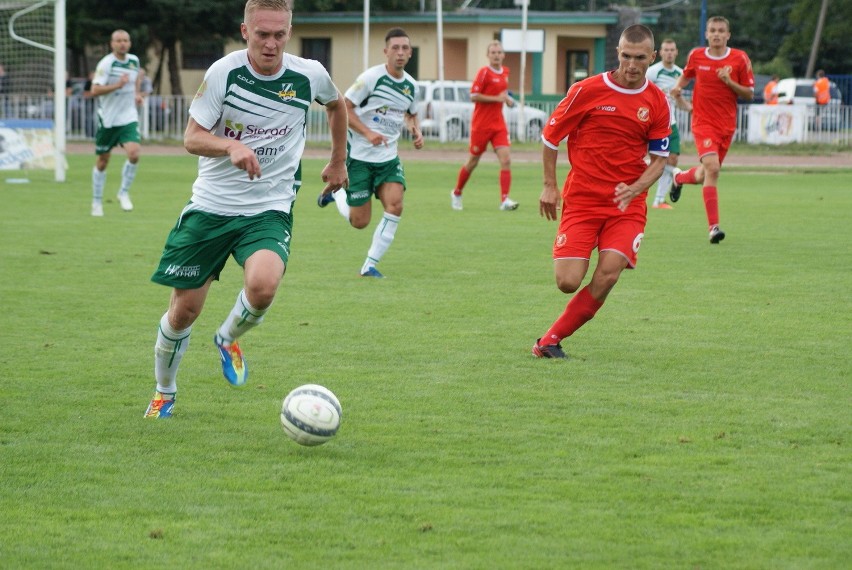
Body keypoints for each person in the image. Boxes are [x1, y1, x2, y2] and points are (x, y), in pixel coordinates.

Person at [144, 0, 348, 419]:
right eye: (262, 35)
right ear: (245, 31)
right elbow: (191, 138)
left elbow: (336, 104)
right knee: (183, 312)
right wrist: (231, 145)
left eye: (279, 35)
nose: (271, 44)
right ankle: (165, 391)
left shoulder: (309, 74)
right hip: (211, 208)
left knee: (264, 284)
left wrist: (338, 159)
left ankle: (227, 337)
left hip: (269, 207)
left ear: (288, 32)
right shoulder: (224, 73)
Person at [532, 24, 670, 359]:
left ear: (652, 57)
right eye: (626, 56)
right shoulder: (587, 90)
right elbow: (551, 138)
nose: (632, 64)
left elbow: (660, 159)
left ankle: (549, 341)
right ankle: (553, 334)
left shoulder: (656, 101)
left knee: (608, 273)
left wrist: (636, 188)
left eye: (640, 58)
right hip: (582, 200)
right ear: (618, 53)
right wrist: (549, 186)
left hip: (627, 205)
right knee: (567, 281)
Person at [316, 27, 423, 278]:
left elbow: (411, 113)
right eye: (395, 48)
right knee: (360, 222)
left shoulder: (411, 86)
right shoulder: (371, 79)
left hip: (388, 159)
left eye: (405, 48)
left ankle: (369, 265)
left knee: (395, 206)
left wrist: (415, 130)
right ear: (386, 51)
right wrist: (367, 133)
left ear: (410, 53)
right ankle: (338, 197)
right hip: (360, 158)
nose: (400, 52)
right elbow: (343, 107)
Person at [668, 16, 754, 244]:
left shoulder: (739, 59)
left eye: (721, 30)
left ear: (728, 35)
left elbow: (749, 94)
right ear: (706, 34)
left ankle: (679, 178)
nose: (716, 34)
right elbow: (685, 77)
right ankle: (713, 228)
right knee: (713, 168)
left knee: (706, 173)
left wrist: (728, 81)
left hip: (727, 126)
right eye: (712, 30)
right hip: (703, 123)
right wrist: (678, 91)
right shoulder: (697, 56)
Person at [451, 40, 518, 211]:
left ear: (503, 55)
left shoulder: (505, 72)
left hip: (498, 125)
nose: (496, 55)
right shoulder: (484, 72)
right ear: (488, 55)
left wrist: (508, 101)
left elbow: (502, 94)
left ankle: (504, 200)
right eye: (493, 52)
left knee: (506, 159)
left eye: (499, 52)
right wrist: (497, 99)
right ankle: (457, 192)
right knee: (473, 161)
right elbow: (474, 95)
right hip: (481, 125)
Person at [90, 29, 145, 217]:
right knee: (103, 161)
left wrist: (136, 94)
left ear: (129, 43)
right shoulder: (106, 64)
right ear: (112, 43)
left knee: (134, 153)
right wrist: (117, 86)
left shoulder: (134, 61)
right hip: (108, 119)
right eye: (118, 40)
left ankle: (123, 192)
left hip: (127, 117)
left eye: (125, 40)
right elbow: (95, 90)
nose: (122, 43)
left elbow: (135, 79)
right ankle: (97, 201)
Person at [645, 38, 692, 210]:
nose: (669, 53)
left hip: (671, 122)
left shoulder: (681, 74)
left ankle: (659, 200)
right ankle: (674, 174)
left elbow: (679, 103)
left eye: (672, 50)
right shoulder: (652, 72)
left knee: (672, 158)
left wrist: (689, 107)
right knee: (652, 158)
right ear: (660, 52)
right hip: (654, 121)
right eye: (666, 50)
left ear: (676, 52)